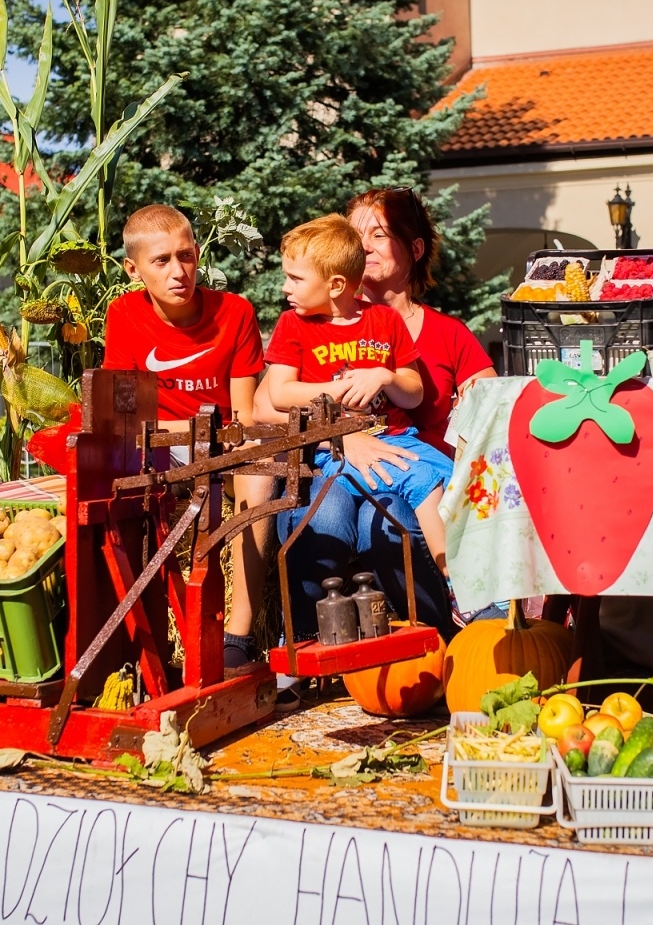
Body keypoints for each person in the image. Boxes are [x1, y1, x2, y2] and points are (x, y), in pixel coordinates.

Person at [258, 188, 497, 638]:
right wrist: (340, 436)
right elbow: (269, 402)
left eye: (379, 234)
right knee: (324, 518)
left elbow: (485, 415)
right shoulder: (304, 321)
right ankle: (306, 650)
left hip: (405, 460)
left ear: (415, 248)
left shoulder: (437, 332)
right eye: (356, 234)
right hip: (335, 452)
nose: (364, 245)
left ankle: (441, 633)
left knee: (389, 522)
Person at [102, 204, 272, 669]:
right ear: (133, 270)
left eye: (187, 256)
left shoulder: (234, 312)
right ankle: (142, 641)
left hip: (223, 443)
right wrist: (186, 431)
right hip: (161, 448)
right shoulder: (124, 315)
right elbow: (126, 419)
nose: (179, 272)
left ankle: (239, 632)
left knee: (259, 465)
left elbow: (244, 415)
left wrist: (218, 435)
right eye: (162, 261)